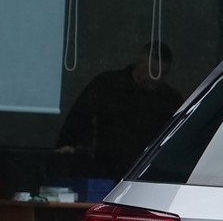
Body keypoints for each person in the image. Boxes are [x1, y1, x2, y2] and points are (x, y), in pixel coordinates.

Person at [56, 43, 182, 178]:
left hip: (148, 175)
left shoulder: (170, 99)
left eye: (162, 73)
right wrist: (67, 146)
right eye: (151, 71)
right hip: (105, 171)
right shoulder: (108, 85)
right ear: (138, 63)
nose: (155, 78)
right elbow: (79, 117)